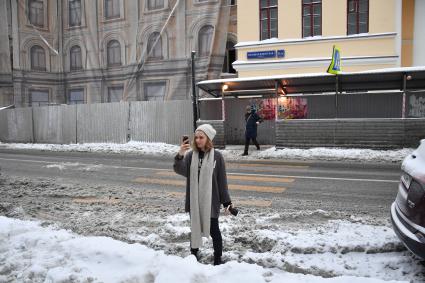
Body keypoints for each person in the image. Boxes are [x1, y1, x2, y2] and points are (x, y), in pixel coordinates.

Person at [173, 124, 233, 266]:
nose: (198, 140)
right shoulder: (190, 156)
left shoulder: (217, 156)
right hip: (194, 201)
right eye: (196, 137)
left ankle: (218, 257)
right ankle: (194, 254)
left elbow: (221, 181)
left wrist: (226, 202)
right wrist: (180, 154)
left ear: (208, 139)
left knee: (214, 231)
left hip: (210, 201)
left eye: (201, 137)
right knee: (194, 228)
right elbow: (180, 170)